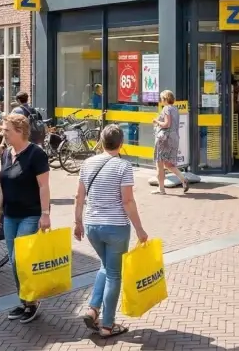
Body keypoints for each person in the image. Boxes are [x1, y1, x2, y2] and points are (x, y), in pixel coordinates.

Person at [74, 124, 149, 338]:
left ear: (101, 141)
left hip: (92, 226)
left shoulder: (88, 163)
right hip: (115, 227)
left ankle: (93, 309)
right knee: (114, 274)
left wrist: (77, 222)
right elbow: (127, 201)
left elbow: (79, 196)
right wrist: (140, 229)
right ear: (121, 143)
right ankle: (107, 325)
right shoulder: (123, 166)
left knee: (105, 266)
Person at [0, 114, 51, 324]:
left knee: (21, 260)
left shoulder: (36, 154)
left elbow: (44, 186)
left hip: (30, 214)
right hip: (10, 215)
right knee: (13, 261)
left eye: (7, 130)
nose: (3, 133)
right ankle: (24, 301)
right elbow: (3, 185)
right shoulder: (6, 154)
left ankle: (32, 302)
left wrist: (45, 214)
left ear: (20, 131)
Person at [152, 90, 188, 194]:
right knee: (168, 163)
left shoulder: (166, 108)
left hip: (165, 138)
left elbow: (167, 124)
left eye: (161, 98)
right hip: (174, 138)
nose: (160, 100)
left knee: (159, 163)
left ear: (165, 99)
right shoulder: (175, 109)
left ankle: (161, 189)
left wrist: (156, 121)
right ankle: (183, 179)